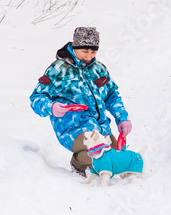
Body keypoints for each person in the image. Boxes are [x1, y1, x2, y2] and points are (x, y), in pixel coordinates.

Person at [29, 27, 132, 177]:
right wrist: (51, 107)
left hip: (100, 127)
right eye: (85, 52)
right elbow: (36, 97)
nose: (89, 56)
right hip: (72, 127)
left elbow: (111, 95)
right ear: (75, 47)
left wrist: (122, 118)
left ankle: (92, 160)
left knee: (116, 158)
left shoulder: (99, 69)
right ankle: (78, 163)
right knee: (101, 154)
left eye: (93, 52)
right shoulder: (58, 69)